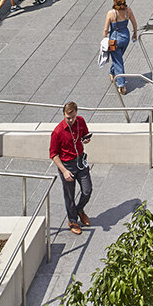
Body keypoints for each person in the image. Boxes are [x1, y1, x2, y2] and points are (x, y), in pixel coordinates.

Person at [49, 101, 93, 235]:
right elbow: (53, 154)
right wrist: (64, 171)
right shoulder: (57, 132)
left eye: (73, 116)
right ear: (63, 115)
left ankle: (79, 209)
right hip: (67, 165)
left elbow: (85, 135)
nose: (71, 120)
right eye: (68, 118)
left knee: (87, 190)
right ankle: (72, 220)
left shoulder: (80, 121)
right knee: (69, 195)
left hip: (80, 161)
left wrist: (86, 140)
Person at [103, 0, 138, 95]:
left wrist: (104, 39)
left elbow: (106, 29)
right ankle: (112, 72)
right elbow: (134, 24)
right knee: (118, 58)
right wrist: (135, 34)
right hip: (125, 38)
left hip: (114, 40)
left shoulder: (111, 13)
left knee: (118, 61)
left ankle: (121, 85)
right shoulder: (128, 11)